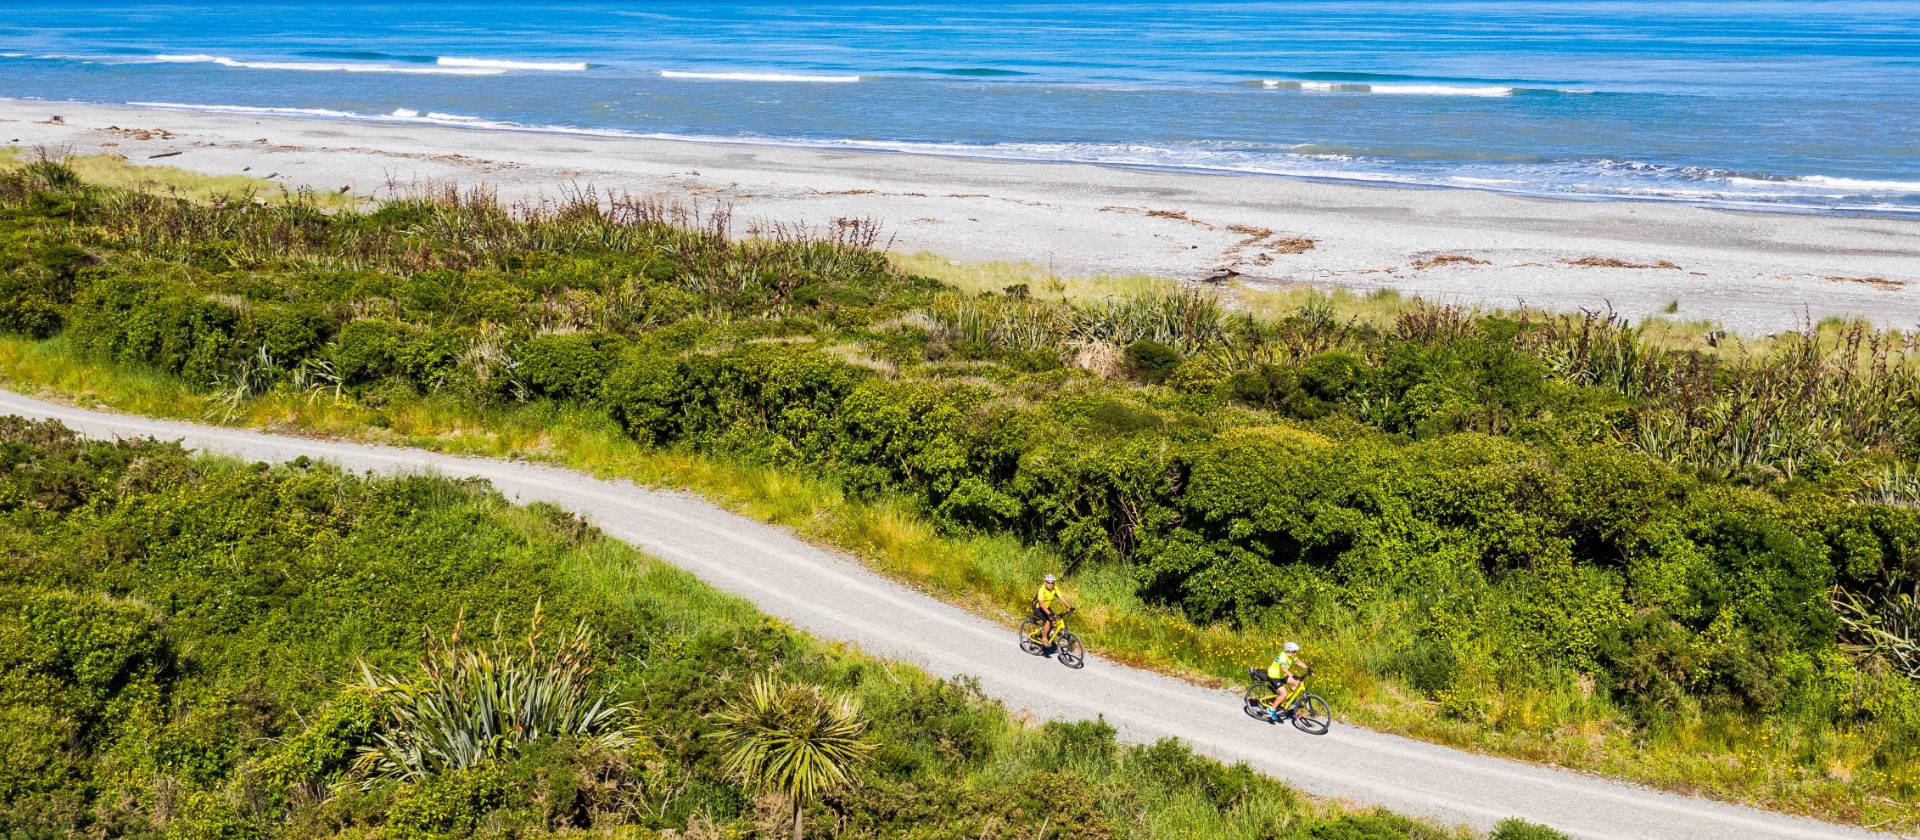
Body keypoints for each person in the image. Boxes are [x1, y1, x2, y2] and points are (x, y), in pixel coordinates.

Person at [1264, 641, 1308, 723]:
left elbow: (1298, 662)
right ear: (1288, 650)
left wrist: (1307, 668)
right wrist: (1292, 675)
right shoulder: (1283, 657)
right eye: (1294, 651)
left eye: (1295, 651)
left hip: (1281, 675)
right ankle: (1271, 709)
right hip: (1274, 676)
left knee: (1297, 683)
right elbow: (1283, 669)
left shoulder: (1291, 655)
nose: (1295, 653)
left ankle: (1289, 700)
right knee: (1284, 693)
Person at [1032, 573, 1071, 647]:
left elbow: (1061, 598)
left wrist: (1070, 607)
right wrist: (1049, 613)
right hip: (1038, 608)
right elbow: (1041, 604)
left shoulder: (1054, 588)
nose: (1050, 584)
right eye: (1048, 582)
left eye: (1052, 583)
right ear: (1045, 582)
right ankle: (1044, 638)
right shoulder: (1041, 590)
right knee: (1049, 620)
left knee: (1055, 620)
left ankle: (1045, 633)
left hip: (1046, 607)